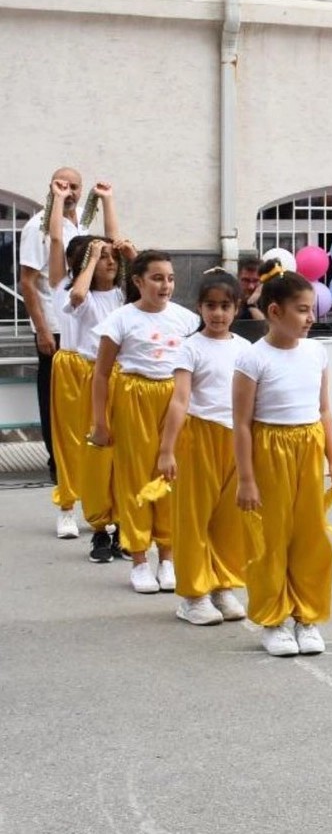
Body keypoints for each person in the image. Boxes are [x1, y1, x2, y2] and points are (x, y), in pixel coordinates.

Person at [233, 263, 332, 657]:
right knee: (272, 538)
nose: (310, 318)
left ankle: (307, 615)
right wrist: (246, 479)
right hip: (269, 448)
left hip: (307, 446)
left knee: (309, 536)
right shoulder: (253, 359)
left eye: (311, 309)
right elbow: (242, 424)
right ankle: (274, 618)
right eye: (301, 309)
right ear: (275, 312)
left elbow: (324, 409)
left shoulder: (317, 351)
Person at [90, 250, 200, 594]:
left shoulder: (186, 319)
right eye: (156, 278)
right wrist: (100, 422)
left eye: (169, 278)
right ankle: (139, 557)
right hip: (134, 397)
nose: (165, 285)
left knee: (169, 475)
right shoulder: (120, 320)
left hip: (174, 397)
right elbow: (102, 374)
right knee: (134, 477)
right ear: (138, 281)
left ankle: (167, 556)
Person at [156, 270, 250, 626]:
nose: (218, 313)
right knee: (194, 518)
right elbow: (179, 401)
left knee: (229, 519)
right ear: (199, 308)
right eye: (210, 306)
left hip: (236, 439)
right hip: (198, 438)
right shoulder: (189, 347)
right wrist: (167, 450)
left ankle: (222, 584)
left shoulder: (245, 349)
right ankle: (193, 595)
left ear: (237, 308)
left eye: (225, 306)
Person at [20, 171, 113, 484]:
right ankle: (58, 469)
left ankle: (87, 470)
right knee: (55, 405)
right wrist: (43, 330)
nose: (69, 191)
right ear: (51, 187)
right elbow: (29, 283)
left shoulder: (80, 224)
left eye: (74, 186)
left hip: (84, 327)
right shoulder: (39, 226)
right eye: (63, 186)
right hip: (56, 325)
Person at [49, 231, 125, 545]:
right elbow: (78, 295)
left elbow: (135, 267)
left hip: (113, 373)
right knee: (71, 440)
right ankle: (67, 506)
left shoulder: (122, 295)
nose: (109, 262)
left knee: (109, 442)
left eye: (112, 258)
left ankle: (108, 510)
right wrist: (92, 258)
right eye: (101, 257)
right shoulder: (74, 291)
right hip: (80, 368)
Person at [238, 255, 266, 321]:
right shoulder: (231, 300)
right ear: (238, 278)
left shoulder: (269, 303)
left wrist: (251, 305)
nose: (251, 286)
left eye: (255, 281)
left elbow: (265, 328)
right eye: (246, 280)